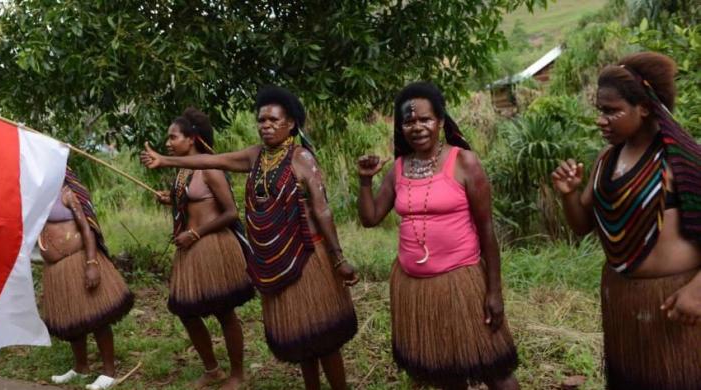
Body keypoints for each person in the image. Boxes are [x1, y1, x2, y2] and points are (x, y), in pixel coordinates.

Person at [141, 86, 358, 390]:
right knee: (301, 337)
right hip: (274, 260)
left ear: (291, 124)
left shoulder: (302, 159)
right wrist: (165, 161)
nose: (266, 126)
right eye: (261, 120)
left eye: (273, 120)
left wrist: (339, 258)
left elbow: (323, 212)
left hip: (309, 257)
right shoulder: (254, 156)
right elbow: (211, 161)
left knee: (324, 337)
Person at [551, 52, 701, 390]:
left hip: (674, 304)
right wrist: (569, 194)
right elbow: (582, 225)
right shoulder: (607, 159)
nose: (601, 120)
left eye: (611, 111)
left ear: (644, 108)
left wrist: (697, 290)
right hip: (623, 302)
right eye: (599, 111)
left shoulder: (683, 161)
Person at [357, 82, 519, 389]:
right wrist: (365, 182)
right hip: (416, 288)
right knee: (444, 368)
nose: (416, 127)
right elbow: (370, 218)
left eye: (425, 119)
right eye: (408, 121)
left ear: (441, 121)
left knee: (494, 367)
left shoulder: (464, 162)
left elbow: (487, 230)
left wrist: (494, 291)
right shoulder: (399, 169)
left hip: (462, 281)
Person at [155, 107, 255, 389]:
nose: (168, 143)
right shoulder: (183, 170)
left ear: (192, 139)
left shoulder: (210, 166)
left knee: (224, 311)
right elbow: (192, 202)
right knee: (186, 311)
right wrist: (171, 200)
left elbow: (231, 212)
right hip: (189, 250)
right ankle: (212, 370)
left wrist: (196, 233)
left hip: (212, 245)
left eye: (173, 137)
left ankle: (237, 374)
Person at [39, 167, 134, 390]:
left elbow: (87, 228)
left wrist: (92, 263)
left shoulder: (68, 193)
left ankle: (108, 371)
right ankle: (81, 367)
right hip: (56, 269)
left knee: (96, 317)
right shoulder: (40, 195)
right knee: (73, 317)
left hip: (78, 261)